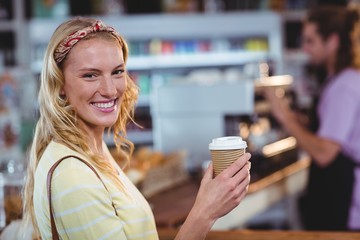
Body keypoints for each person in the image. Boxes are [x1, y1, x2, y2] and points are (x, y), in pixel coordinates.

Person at [21, 17, 251, 239]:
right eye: (90, 75)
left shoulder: (90, 151)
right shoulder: (72, 175)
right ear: (59, 83)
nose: (110, 90)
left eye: (117, 72)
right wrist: (204, 213)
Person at [264, 6, 360, 231]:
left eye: (310, 41)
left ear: (333, 41)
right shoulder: (340, 79)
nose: (305, 48)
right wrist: (300, 122)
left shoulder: (344, 85)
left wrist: (284, 116)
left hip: (346, 202)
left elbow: (325, 153)